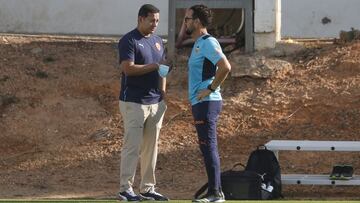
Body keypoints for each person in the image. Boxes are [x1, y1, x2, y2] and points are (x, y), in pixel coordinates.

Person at [177, 4, 231, 203]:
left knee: (209, 147)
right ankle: (214, 191)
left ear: (197, 21)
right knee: (206, 147)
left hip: (207, 101)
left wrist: (210, 88)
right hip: (200, 103)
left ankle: (216, 194)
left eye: (188, 19)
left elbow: (225, 67)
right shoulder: (199, 43)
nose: (185, 23)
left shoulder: (208, 42)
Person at [117, 4, 169, 202]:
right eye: (151, 20)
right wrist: (154, 66)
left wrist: (163, 92)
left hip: (155, 102)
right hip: (134, 102)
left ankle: (148, 188)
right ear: (140, 19)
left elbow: (162, 68)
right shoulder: (128, 40)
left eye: (157, 20)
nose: (155, 24)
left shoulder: (157, 41)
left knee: (151, 147)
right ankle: (125, 189)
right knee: (133, 145)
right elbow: (128, 69)